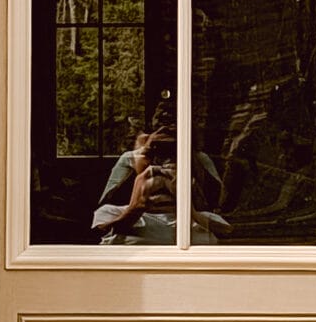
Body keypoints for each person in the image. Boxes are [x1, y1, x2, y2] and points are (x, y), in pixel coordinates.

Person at [92, 100, 227, 244]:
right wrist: (146, 153)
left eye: (172, 117)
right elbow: (107, 203)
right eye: (161, 117)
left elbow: (217, 203)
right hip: (143, 215)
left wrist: (188, 156)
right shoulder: (131, 157)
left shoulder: (199, 158)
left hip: (183, 218)